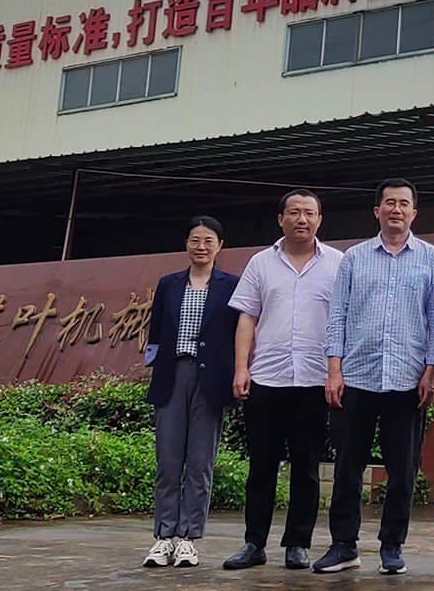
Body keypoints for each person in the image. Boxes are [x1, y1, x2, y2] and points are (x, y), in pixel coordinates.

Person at [317, 177, 434, 575]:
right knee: (348, 465)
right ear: (377, 210)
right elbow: (337, 316)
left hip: (407, 379)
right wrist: (334, 370)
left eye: (404, 203)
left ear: (414, 212)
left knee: (402, 469)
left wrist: (431, 371)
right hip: (356, 376)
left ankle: (392, 546)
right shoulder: (354, 258)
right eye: (390, 202)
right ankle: (343, 545)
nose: (396, 209)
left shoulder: (432, 259)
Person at [223, 189, 342, 571]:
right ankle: (254, 543)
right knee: (262, 465)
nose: (301, 219)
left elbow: (344, 321)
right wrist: (241, 368)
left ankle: (297, 543)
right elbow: (247, 317)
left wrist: (337, 372)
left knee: (306, 466)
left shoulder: (338, 264)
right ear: (281, 219)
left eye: (309, 213)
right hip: (267, 378)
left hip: (314, 380)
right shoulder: (261, 263)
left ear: (319, 219)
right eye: (294, 212)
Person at [142, 216, 240, 570]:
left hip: (211, 379)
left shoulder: (231, 285)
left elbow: (238, 332)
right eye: (195, 240)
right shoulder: (168, 284)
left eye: (209, 240)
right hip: (172, 374)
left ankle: (188, 539)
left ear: (220, 246)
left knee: (200, 463)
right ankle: (163, 536)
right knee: (168, 462)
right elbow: (155, 331)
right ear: (186, 244)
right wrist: (153, 364)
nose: (201, 247)